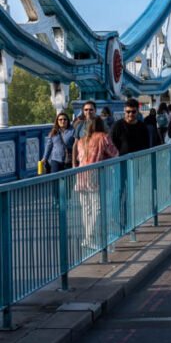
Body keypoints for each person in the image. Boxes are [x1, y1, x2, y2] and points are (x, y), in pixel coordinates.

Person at [75, 117, 118, 248]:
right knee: (97, 207)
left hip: (80, 175)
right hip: (94, 175)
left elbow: (79, 158)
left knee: (86, 209)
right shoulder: (103, 137)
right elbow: (114, 154)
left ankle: (88, 238)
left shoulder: (81, 140)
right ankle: (89, 238)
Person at [72, 100, 97, 165]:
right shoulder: (80, 125)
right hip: (83, 162)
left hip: (97, 162)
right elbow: (75, 145)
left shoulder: (101, 125)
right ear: (83, 111)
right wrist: (74, 164)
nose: (88, 112)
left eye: (91, 109)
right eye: (86, 110)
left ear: (95, 111)